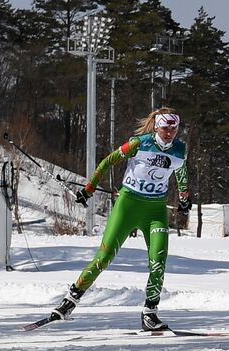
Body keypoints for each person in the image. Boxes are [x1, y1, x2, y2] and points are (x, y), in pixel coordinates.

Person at [49, 108, 192, 331]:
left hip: (155, 211)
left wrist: (184, 198)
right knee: (104, 257)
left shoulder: (180, 150)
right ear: (156, 126)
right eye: (166, 128)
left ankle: (150, 313)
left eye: (174, 128)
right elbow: (108, 161)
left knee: (158, 261)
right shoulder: (139, 144)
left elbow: (181, 173)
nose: (170, 133)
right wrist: (89, 188)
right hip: (128, 205)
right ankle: (68, 302)